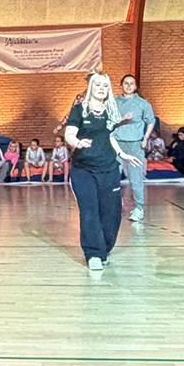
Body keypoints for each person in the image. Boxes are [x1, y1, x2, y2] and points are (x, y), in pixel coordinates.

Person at [64, 72, 144, 271]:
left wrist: (122, 154)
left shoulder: (111, 110)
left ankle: (104, 249)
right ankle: (93, 253)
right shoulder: (79, 110)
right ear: (91, 87)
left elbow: (109, 136)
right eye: (98, 85)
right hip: (83, 170)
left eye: (105, 85)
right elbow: (69, 134)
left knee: (112, 214)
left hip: (108, 169)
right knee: (89, 211)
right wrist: (77, 143)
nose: (101, 88)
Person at [115, 75, 156, 221]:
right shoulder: (114, 102)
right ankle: (115, 203)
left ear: (135, 86)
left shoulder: (142, 103)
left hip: (135, 144)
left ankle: (138, 208)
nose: (128, 86)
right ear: (121, 85)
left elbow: (151, 121)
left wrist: (146, 137)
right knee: (113, 176)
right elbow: (109, 122)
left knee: (136, 178)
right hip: (117, 143)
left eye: (131, 83)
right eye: (126, 83)